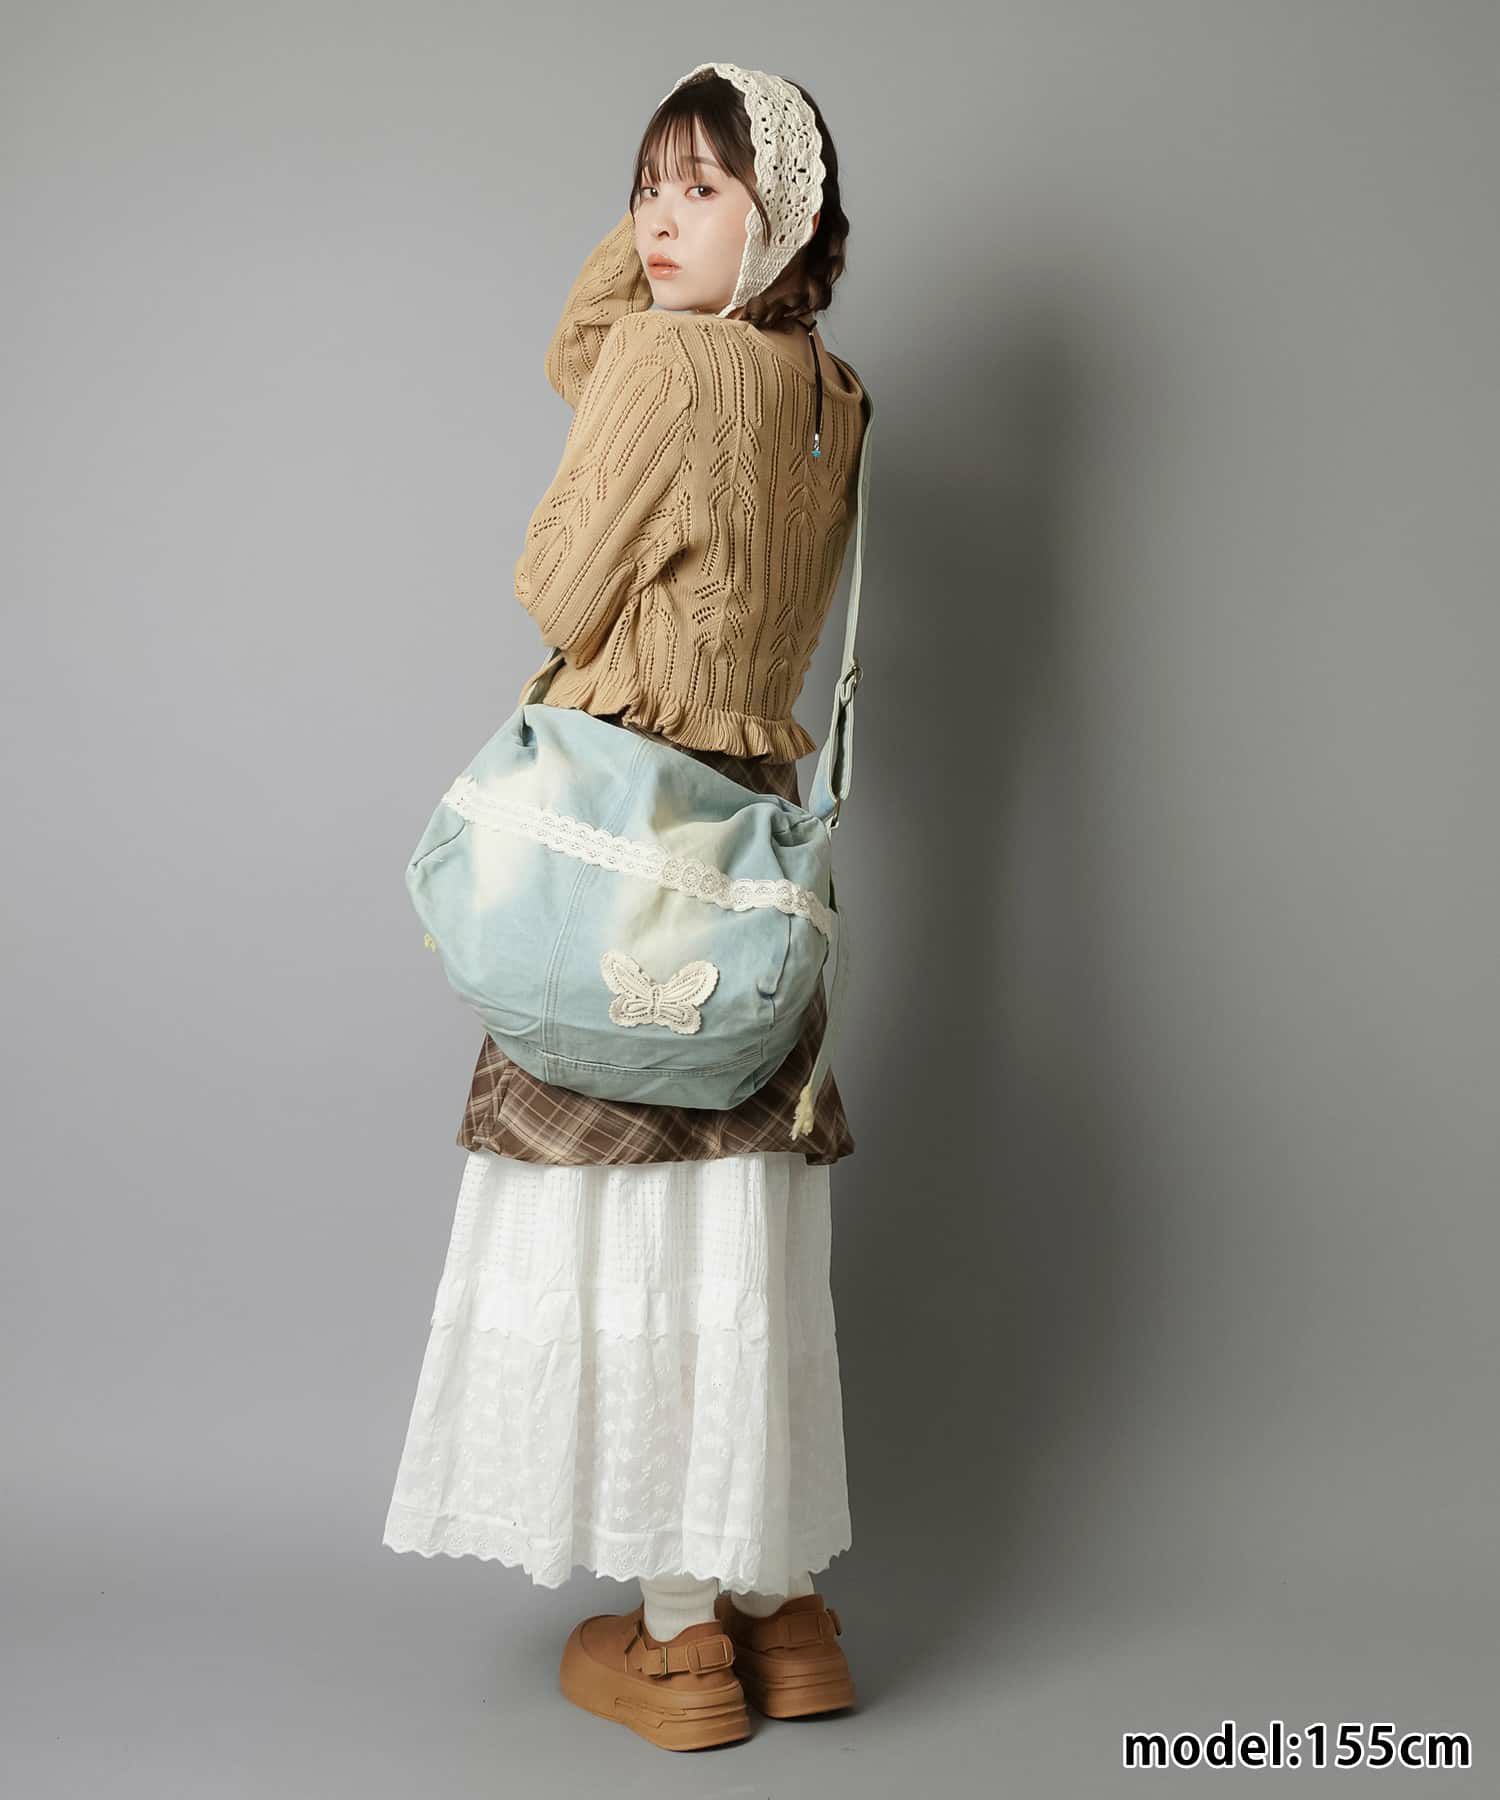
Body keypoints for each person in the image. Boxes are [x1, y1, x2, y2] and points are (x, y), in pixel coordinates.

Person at [382, 62, 869, 1753]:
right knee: (737, 1214)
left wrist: (656, 301)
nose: (658, 221)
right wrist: (691, 245)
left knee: (624, 1218)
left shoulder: (671, 365)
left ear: (782, 217)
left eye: (702, 189)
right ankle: (783, 1610)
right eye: (646, 186)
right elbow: (590, 358)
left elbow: (557, 581)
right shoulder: (835, 394)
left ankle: (675, 1645)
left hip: (615, 834)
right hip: (748, 847)